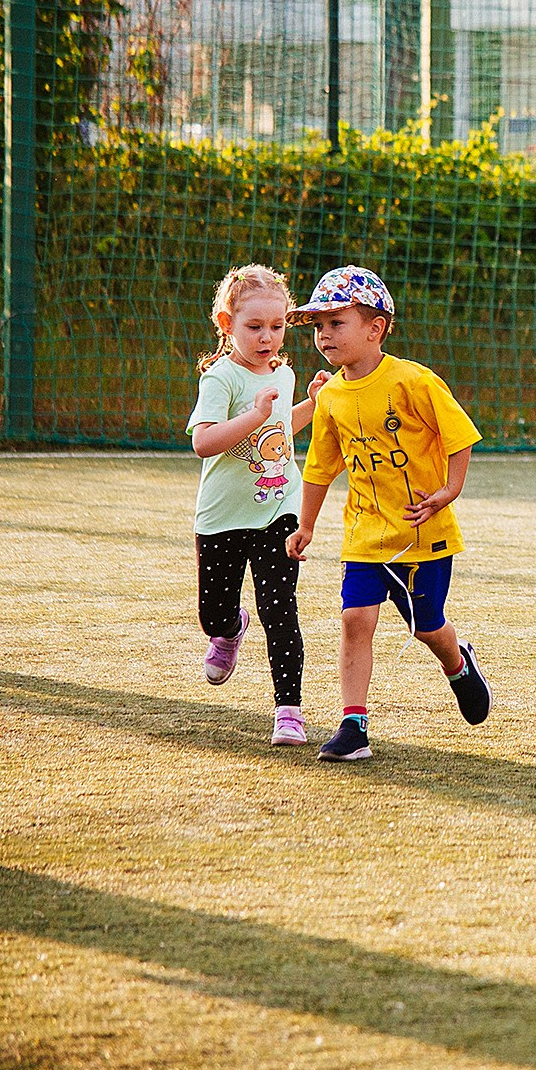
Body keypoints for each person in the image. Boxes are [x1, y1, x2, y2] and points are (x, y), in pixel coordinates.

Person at [285, 266, 491, 761]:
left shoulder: (413, 380)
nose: (324, 335)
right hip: (363, 535)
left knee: (425, 627)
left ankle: (458, 664)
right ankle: (353, 726)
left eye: (336, 322)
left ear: (375, 328)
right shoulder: (330, 396)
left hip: (422, 531)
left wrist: (450, 489)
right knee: (355, 619)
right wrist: (307, 524)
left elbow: (458, 434)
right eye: (317, 326)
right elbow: (319, 467)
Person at [187, 264, 329, 746]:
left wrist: (311, 404)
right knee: (214, 615)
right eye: (254, 327)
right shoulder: (220, 379)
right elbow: (204, 443)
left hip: (278, 512)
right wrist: (254, 414)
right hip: (222, 519)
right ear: (227, 324)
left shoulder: (283, 373)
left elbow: (280, 429)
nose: (268, 337)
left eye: (277, 326)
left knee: (280, 609)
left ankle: (289, 711)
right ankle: (229, 630)